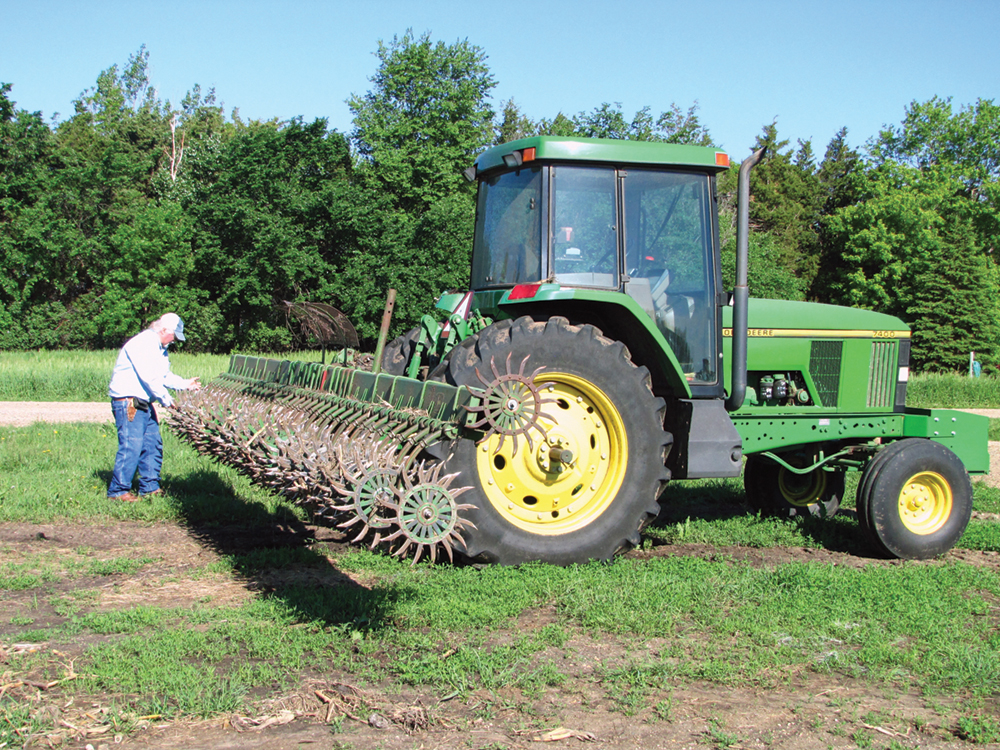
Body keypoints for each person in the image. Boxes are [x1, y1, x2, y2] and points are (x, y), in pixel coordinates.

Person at [107, 313, 201, 502]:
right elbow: (150, 378)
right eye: (174, 335)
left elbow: (163, 375)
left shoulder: (160, 347)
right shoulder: (144, 343)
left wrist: (185, 384)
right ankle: (118, 491)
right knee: (131, 445)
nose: (174, 340)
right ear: (164, 329)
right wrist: (168, 401)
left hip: (143, 401)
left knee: (152, 444)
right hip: (129, 401)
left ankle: (150, 487)